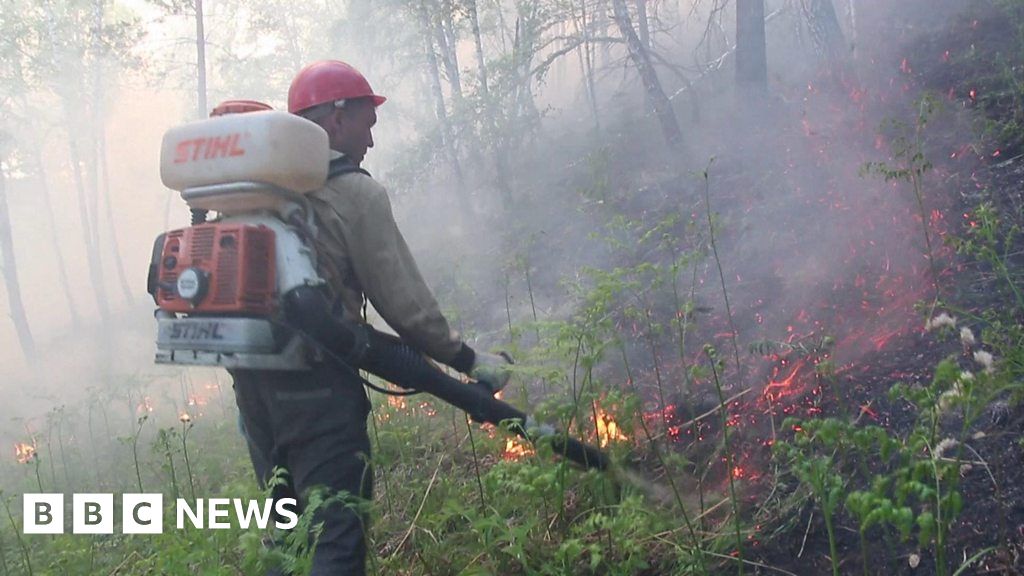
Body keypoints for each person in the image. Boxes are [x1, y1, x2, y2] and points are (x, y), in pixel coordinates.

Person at [230, 59, 513, 576]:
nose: (372, 141)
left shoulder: (259, 195)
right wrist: (471, 360)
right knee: (337, 531)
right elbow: (406, 306)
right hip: (317, 387)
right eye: (368, 123)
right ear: (336, 121)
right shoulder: (354, 193)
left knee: (286, 529)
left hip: (251, 386)